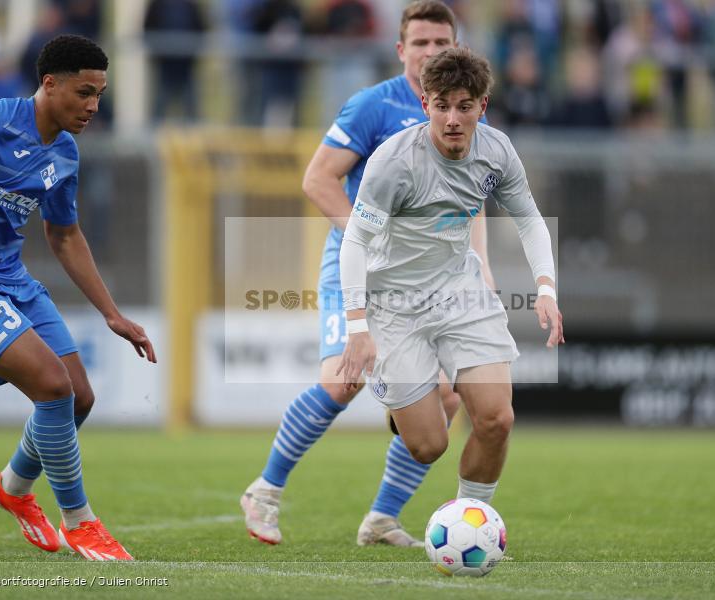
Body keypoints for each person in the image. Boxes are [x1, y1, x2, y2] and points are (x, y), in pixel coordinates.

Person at [241, 0, 494, 547]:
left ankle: (381, 519)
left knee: (449, 395)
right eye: (421, 43)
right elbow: (318, 180)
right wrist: (369, 238)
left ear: (458, 48)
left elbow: (470, 202)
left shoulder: (464, 112)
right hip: (359, 268)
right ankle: (265, 489)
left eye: (441, 43)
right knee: (343, 378)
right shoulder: (372, 106)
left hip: (429, 277)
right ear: (401, 50)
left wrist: (483, 272)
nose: (432, 52)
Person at [0, 35, 156, 561]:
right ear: (49, 84)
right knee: (53, 387)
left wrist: (112, 314)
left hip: (9, 277)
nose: (93, 106)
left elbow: (64, 236)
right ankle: (81, 522)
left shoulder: (64, 153)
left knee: (79, 396)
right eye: (85, 92)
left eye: (100, 95)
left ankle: (11, 488)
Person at [337, 47, 564, 507]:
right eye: (441, 106)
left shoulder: (497, 152)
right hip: (393, 304)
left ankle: (470, 519)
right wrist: (358, 327)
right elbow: (355, 242)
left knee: (497, 419)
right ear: (425, 105)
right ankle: (406, 412)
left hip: (461, 292)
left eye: (464, 106)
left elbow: (530, 220)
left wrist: (545, 287)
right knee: (428, 447)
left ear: (483, 106)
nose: (453, 119)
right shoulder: (393, 162)